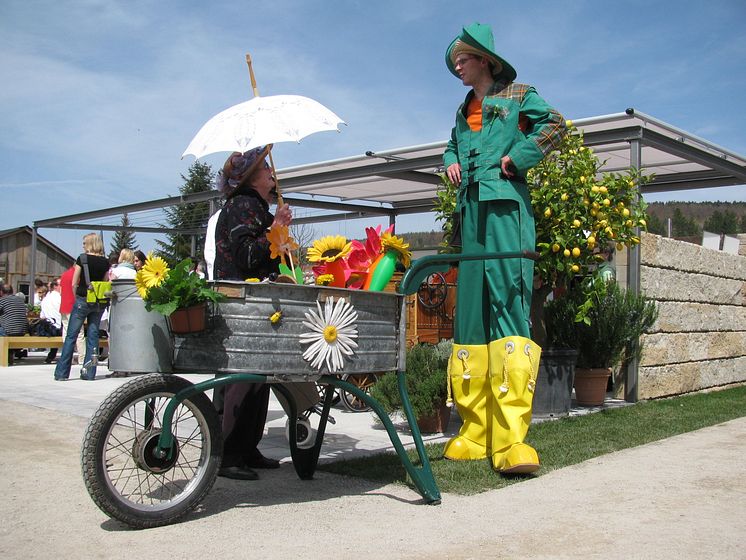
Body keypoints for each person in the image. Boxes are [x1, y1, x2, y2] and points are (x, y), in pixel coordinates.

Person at [442, 23, 566, 473]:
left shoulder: (519, 94)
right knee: (470, 313)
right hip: (470, 213)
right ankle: (475, 431)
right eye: (455, 59)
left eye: (463, 58)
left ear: (485, 61)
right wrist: (452, 161)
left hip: (507, 212)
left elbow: (556, 125)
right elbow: (452, 146)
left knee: (510, 304)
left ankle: (512, 439)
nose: (457, 65)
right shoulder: (463, 109)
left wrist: (520, 157)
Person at [212, 146, 291, 481]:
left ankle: (246, 448)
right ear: (252, 177)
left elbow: (266, 252)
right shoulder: (244, 204)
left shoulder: (257, 204)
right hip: (239, 300)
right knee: (242, 379)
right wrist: (275, 227)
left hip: (254, 299)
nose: (271, 173)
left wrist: (279, 231)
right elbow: (245, 255)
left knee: (259, 378)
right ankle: (227, 454)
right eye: (265, 169)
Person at [54, 233, 109, 381]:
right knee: (93, 337)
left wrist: (77, 296)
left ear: (90, 243)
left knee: (71, 336)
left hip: (82, 299)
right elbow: (104, 283)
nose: (83, 245)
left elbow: (74, 282)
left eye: (84, 243)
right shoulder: (105, 262)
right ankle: (89, 373)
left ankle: (62, 373)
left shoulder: (82, 258)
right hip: (97, 302)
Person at [39, 279, 63, 363]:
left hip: (48, 330)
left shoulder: (45, 299)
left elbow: (42, 316)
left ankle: (51, 356)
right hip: (59, 329)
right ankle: (69, 357)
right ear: (55, 286)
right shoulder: (60, 298)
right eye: (61, 284)